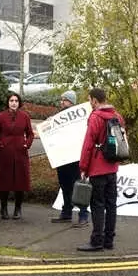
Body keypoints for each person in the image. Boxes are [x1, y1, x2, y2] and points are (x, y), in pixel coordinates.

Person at [77, 88, 124, 252]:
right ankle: (109, 240)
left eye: (90, 100)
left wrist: (83, 166)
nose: (90, 103)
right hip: (113, 167)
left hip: (98, 168)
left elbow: (88, 144)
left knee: (97, 205)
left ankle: (97, 240)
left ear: (95, 101)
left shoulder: (96, 117)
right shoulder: (117, 116)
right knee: (111, 204)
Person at [51, 90, 89, 227]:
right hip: (61, 157)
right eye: (61, 100)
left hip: (74, 158)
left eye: (65, 100)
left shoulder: (79, 118)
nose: (62, 102)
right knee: (65, 186)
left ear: (72, 102)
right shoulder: (58, 116)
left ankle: (83, 215)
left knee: (78, 186)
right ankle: (66, 212)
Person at [0, 92, 34, 220]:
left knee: (20, 181)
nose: (14, 103)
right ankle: (3, 208)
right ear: (8, 102)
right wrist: (0, 145)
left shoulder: (25, 116)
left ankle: (18, 209)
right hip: (6, 153)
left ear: (19, 102)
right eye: (11, 100)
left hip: (21, 153)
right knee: (5, 181)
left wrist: (27, 144)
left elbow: (30, 134)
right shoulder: (1, 116)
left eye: (16, 100)